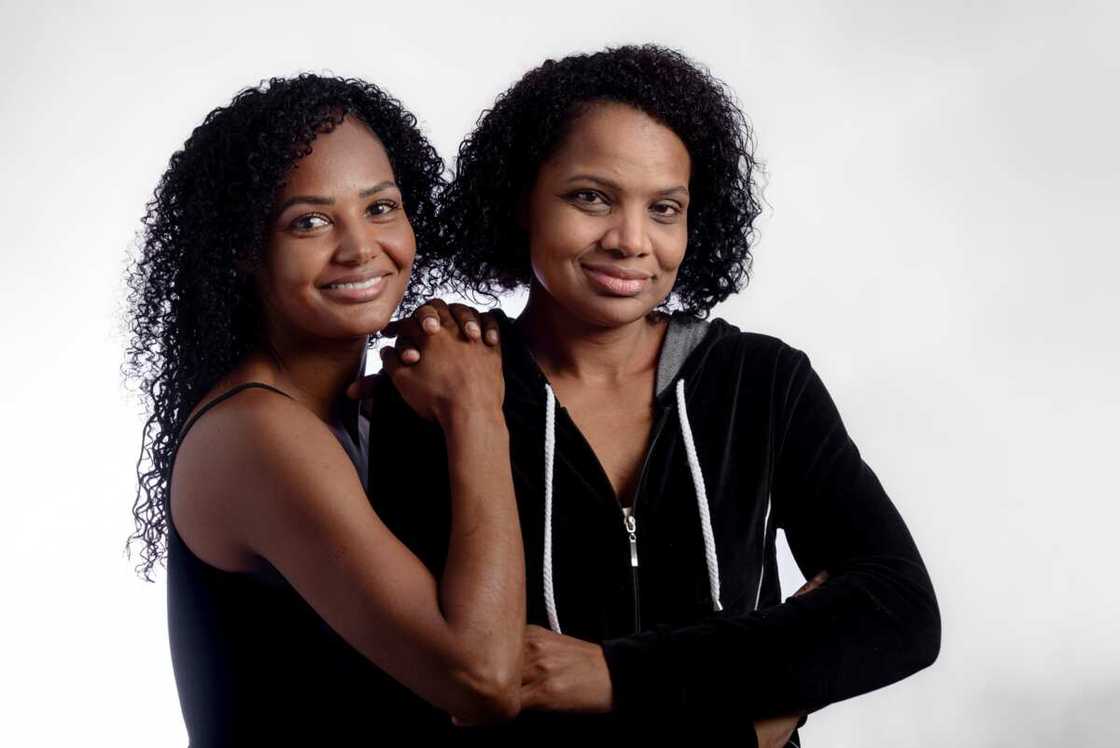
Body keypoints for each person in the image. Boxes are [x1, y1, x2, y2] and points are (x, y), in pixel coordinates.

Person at [369, 45, 941, 744]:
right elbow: (444, 697)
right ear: (522, 199)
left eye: (664, 208)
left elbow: (901, 613)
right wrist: (764, 703)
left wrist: (612, 675)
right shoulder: (444, 389)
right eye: (592, 198)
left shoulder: (760, 383)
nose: (632, 241)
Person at [125, 74, 524, 744]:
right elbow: (480, 679)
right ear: (243, 253)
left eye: (381, 208)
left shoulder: (340, 408)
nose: (361, 248)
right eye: (309, 221)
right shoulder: (257, 433)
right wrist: (478, 412)